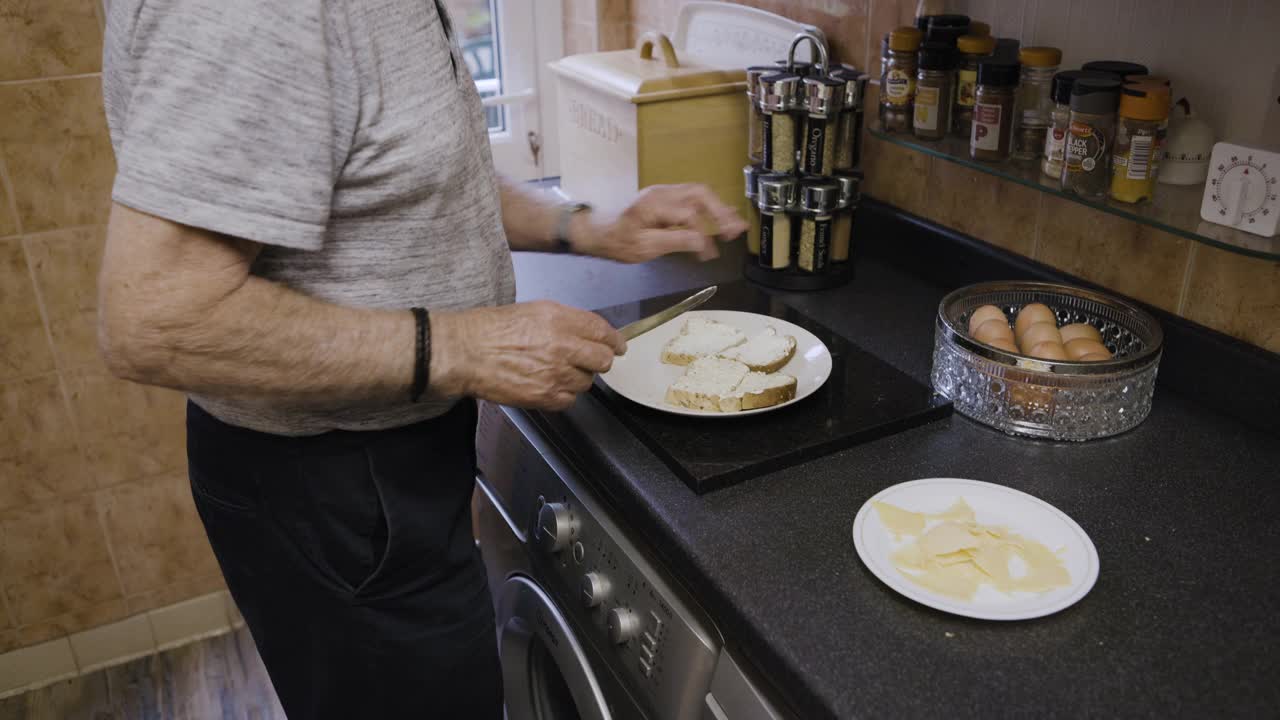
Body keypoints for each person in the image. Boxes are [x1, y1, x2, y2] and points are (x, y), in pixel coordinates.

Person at [97, 1, 746, 717]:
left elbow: (412, 175)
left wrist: (586, 228)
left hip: (387, 466)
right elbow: (155, 318)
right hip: (327, 488)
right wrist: (464, 345)